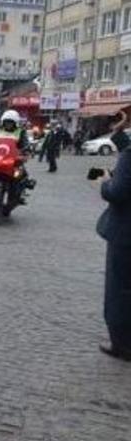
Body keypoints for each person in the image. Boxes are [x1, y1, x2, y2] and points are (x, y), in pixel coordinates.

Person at [96, 112, 131, 360]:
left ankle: (121, 343)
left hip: (125, 232)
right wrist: (118, 132)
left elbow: (118, 192)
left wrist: (106, 182)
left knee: (120, 289)